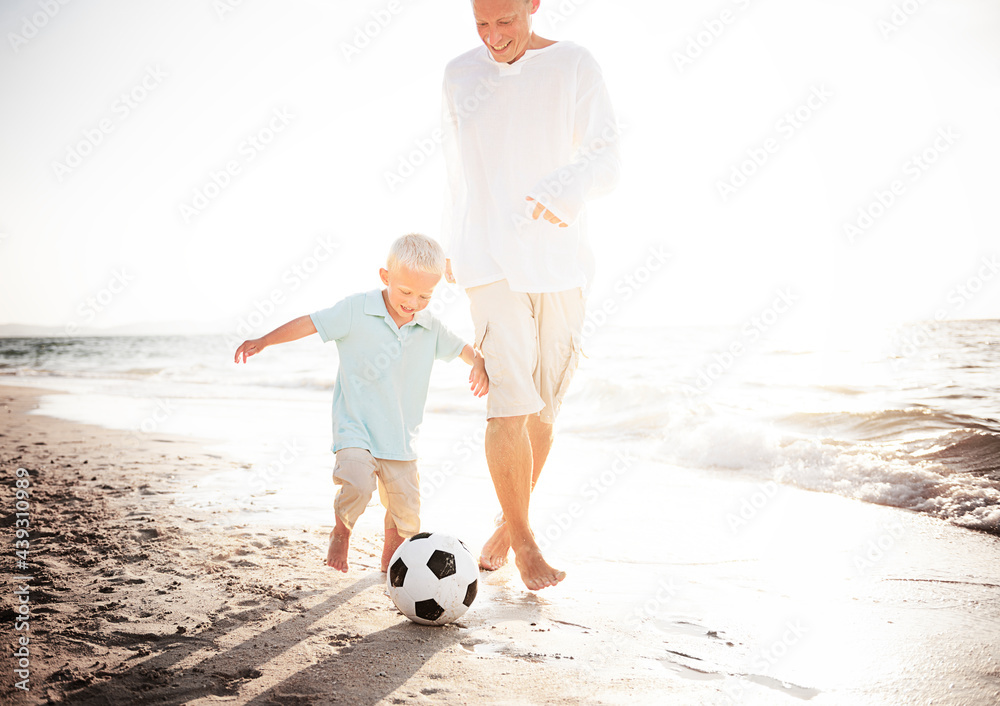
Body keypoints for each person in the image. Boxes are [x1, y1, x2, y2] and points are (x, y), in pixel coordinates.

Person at [441, 0, 621, 590]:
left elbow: (606, 156)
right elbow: (452, 170)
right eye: (481, 24)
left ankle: (503, 527)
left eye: (505, 22)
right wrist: (449, 241)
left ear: (533, 6)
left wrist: (562, 188)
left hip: (561, 259)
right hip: (487, 258)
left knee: (543, 412)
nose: (494, 37)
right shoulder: (460, 74)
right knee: (509, 404)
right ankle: (525, 542)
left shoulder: (573, 65)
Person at [234, 234, 489, 573]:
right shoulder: (356, 309)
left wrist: (480, 363)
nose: (413, 302)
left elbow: (463, 350)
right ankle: (342, 530)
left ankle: (390, 551)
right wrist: (265, 340)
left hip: (400, 438)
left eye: (425, 295)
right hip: (355, 426)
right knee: (357, 482)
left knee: (407, 512)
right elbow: (311, 323)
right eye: (406, 292)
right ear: (386, 277)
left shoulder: (431, 327)